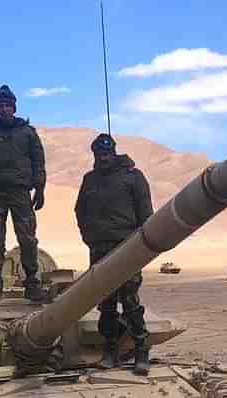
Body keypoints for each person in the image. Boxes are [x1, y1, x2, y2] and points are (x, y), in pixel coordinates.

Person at [74, 133, 153, 375]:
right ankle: (110, 352)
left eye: (107, 153)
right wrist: (89, 237)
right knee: (106, 304)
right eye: (99, 154)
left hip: (126, 247)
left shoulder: (133, 177)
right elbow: (80, 211)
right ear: (95, 155)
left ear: (114, 152)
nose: (104, 157)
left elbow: (146, 213)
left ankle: (141, 351)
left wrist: (139, 245)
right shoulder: (90, 180)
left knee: (130, 302)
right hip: (99, 248)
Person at [0, 85, 46, 303]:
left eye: (8, 105)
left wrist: (40, 188)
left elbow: (38, 161)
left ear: (14, 106)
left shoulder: (27, 132)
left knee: (27, 238)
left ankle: (32, 283)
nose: (4, 109)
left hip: (20, 190)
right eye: (0, 106)